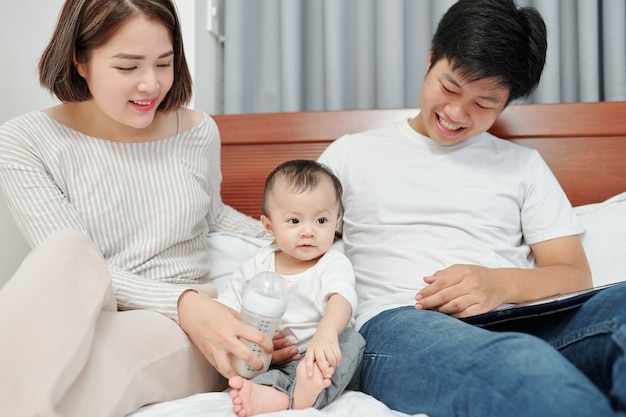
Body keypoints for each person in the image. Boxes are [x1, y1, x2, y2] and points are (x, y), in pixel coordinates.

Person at [319, 0, 626, 416]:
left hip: (522, 320)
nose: (456, 113)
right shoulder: (350, 155)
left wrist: (500, 285)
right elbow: (295, 249)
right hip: (401, 325)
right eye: (449, 87)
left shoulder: (523, 165)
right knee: (521, 365)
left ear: (507, 104)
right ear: (431, 57)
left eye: (484, 104)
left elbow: (574, 272)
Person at [0, 1, 288, 416]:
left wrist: (304, 240)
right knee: (65, 250)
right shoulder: (25, 141)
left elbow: (215, 217)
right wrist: (185, 302)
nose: (151, 85)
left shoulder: (197, 131)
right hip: (95, 311)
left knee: (99, 366)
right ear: (80, 60)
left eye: (164, 63)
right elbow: (75, 270)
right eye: (128, 67)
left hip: (180, 328)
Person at [217, 160, 364, 417]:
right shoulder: (258, 265)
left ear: (337, 222)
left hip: (317, 353)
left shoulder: (332, 262)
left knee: (352, 342)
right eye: (294, 220)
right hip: (272, 356)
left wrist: (327, 332)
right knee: (257, 372)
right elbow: (227, 306)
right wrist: (248, 340)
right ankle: (270, 395)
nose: (308, 231)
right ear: (269, 226)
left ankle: (301, 395)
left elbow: (341, 298)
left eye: (321, 220)